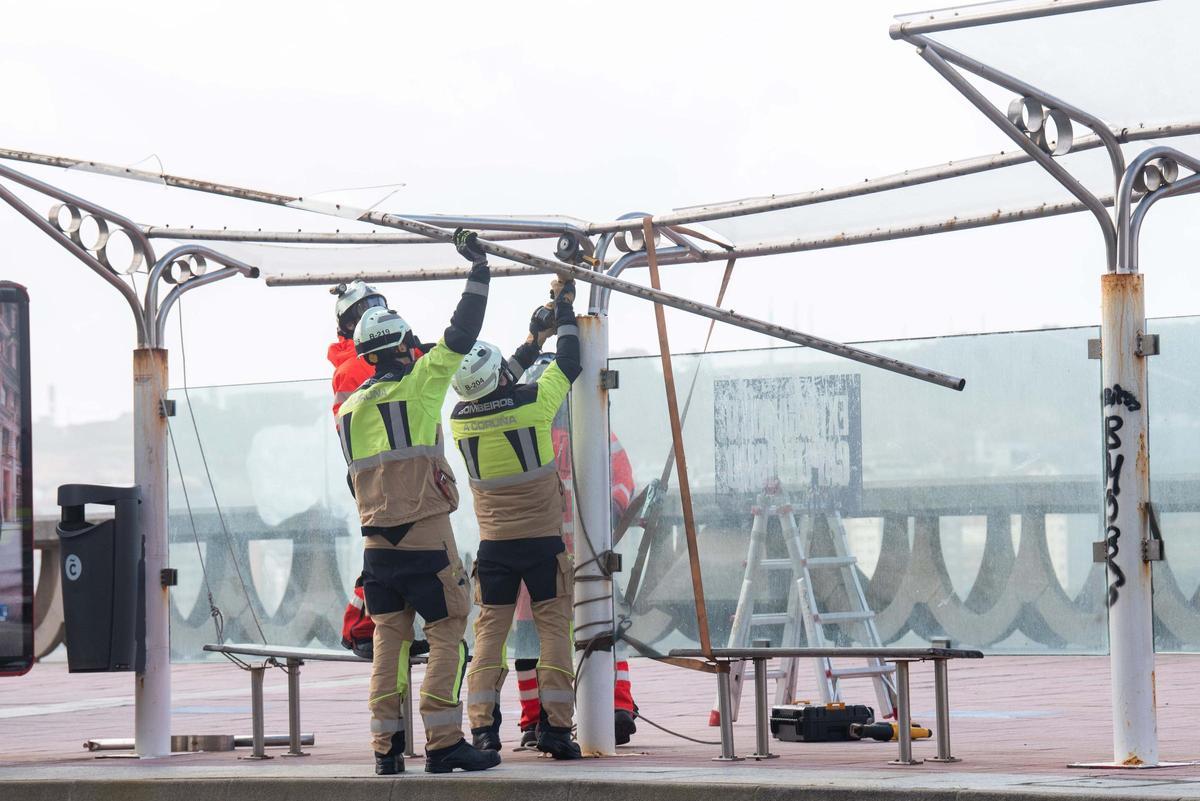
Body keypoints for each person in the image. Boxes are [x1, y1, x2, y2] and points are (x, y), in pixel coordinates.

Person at [337, 229, 500, 776]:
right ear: (406, 346)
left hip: (375, 547)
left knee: (388, 640)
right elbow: (461, 333)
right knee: (449, 629)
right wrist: (479, 270)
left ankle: (386, 751)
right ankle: (445, 742)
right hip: (426, 538)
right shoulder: (424, 384)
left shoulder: (349, 409)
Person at [448, 279, 583, 760]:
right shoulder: (531, 406)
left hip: (495, 548)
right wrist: (564, 314)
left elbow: (494, 380)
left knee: (488, 639)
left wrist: (531, 342)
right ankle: (557, 730)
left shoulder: (461, 419)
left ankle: (483, 730)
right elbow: (570, 364)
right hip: (543, 543)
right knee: (554, 635)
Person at [512, 352, 639, 747]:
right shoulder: (596, 432)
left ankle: (537, 719)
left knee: (532, 644)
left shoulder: (523, 434)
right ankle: (615, 709)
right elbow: (623, 482)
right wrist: (610, 517)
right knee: (603, 634)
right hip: (588, 559)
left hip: (531, 562)